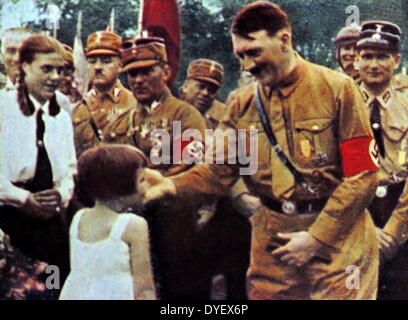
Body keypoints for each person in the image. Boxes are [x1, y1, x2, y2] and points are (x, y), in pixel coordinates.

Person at [141, 1, 380, 300]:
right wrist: (172, 185)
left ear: (284, 40)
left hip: (339, 243)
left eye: (254, 52)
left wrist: (317, 238)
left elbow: (364, 175)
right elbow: (219, 171)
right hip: (272, 245)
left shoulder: (338, 89)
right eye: (241, 56)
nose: (247, 65)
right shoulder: (241, 103)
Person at [104, 36, 207, 299]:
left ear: (166, 71)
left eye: (147, 71)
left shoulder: (184, 116)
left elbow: (187, 169)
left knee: (177, 290)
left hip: (172, 219)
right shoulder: (122, 122)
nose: (138, 80)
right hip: (130, 219)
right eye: (132, 74)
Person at [0, 34, 76, 298]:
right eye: (47, 68)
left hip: (49, 225)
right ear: (25, 66)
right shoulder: (4, 109)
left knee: (51, 288)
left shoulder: (60, 119)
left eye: (60, 70)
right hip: (10, 223)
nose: (55, 77)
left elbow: (69, 171)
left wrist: (61, 195)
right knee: (15, 293)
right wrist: (23, 199)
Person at [179, 58, 252, 299]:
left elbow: (240, 163)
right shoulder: (172, 113)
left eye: (211, 89)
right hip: (180, 204)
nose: (205, 93)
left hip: (221, 205)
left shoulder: (225, 116)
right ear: (185, 86)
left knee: (235, 269)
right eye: (200, 86)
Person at [59, 145, 156, 300]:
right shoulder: (134, 225)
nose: (148, 186)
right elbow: (144, 288)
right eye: (142, 180)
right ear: (121, 185)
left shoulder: (79, 218)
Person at [356, 20, 408, 300]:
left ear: (396, 60)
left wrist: (394, 231)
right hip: (353, 213)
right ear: (356, 60)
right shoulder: (341, 103)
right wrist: (365, 228)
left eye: (382, 56)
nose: (374, 64)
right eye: (367, 56)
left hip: (401, 211)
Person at [72, 30, 136, 157]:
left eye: (106, 61)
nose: (97, 67)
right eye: (92, 61)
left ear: (121, 65)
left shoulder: (134, 104)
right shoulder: (76, 107)